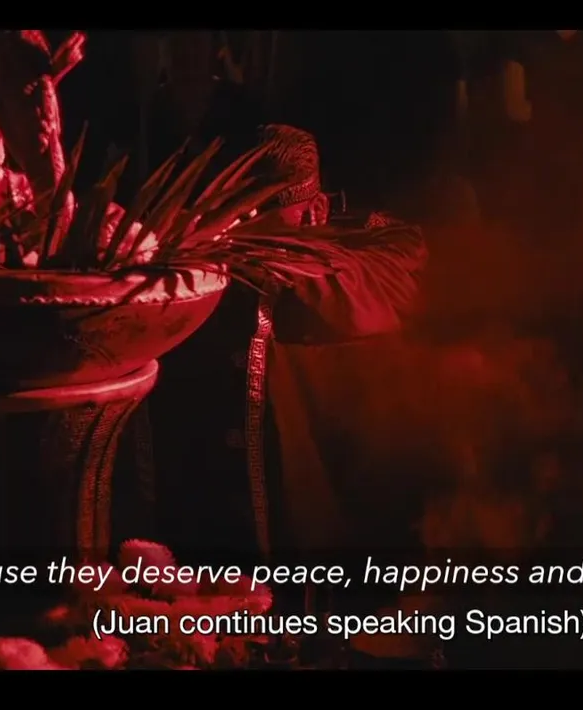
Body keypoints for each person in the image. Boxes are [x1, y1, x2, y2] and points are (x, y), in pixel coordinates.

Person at [117, 125, 427, 582]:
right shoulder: (204, 245)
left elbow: (386, 287)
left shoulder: (375, 239)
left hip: (319, 501)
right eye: (237, 211)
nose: (243, 224)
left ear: (313, 210)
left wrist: (264, 262)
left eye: (261, 213)